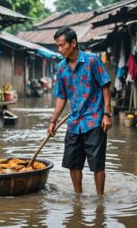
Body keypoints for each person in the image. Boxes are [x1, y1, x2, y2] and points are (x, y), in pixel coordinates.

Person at [48, 26, 112, 196]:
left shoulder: (92, 61)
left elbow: (105, 85)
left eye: (62, 45)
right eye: (58, 46)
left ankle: (100, 199)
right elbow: (61, 96)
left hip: (95, 120)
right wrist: (53, 120)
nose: (60, 49)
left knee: (97, 164)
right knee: (73, 163)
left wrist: (107, 114)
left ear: (73, 43)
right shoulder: (61, 68)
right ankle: (78, 198)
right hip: (74, 122)